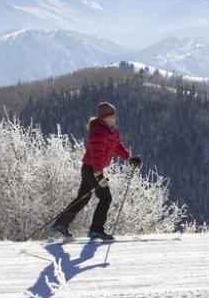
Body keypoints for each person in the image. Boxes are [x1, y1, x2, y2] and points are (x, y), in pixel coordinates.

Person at [50, 102, 141, 241]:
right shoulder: (99, 131)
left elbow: (117, 147)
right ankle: (96, 230)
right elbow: (96, 155)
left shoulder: (112, 130)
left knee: (83, 198)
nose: (115, 118)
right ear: (105, 117)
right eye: (112, 115)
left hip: (91, 168)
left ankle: (61, 223)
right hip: (92, 169)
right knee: (105, 198)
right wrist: (99, 176)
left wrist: (130, 158)